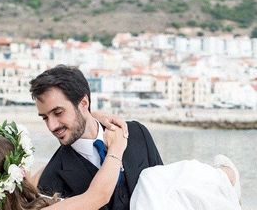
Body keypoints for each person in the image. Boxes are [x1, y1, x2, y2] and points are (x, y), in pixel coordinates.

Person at [0, 119, 241, 210]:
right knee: (156, 183)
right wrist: (117, 147)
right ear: (16, 171)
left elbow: (39, 172)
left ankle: (222, 177)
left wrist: (91, 119)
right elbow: (98, 195)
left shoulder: (29, 192)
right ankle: (225, 176)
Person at [29, 65, 163, 210]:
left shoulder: (137, 132)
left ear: (84, 103)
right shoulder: (50, 180)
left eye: (58, 112)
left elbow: (166, 189)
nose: (52, 126)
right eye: (45, 118)